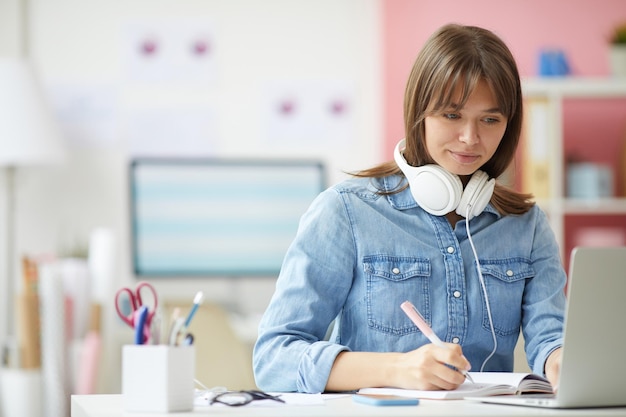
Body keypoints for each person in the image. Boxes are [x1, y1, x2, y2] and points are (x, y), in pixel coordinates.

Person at [253, 23, 566, 394]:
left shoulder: (527, 226)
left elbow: (551, 338)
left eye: (490, 119)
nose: (470, 138)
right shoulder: (346, 212)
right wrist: (396, 368)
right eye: (452, 115)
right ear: (420, 113)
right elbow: (274, 358)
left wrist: (563, 362)